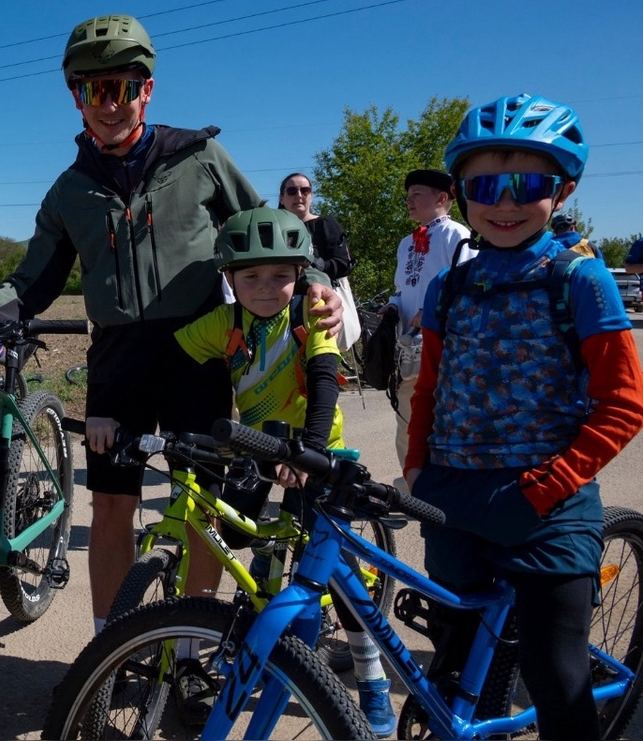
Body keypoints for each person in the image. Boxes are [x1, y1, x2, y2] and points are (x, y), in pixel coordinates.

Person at [0, 12, 340, 715]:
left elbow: (271, 231)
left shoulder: (199, 157)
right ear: (76, 98)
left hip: (196, 351)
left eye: (122, 88)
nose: (109, 104)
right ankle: (107, 653)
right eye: (93, 91)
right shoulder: (68, 191)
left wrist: (318, 286)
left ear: (147, 90)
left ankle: (189, 651)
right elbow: (30, 288)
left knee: (202, 508)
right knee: (112, 504)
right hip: (116, 359)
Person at [405, 94, 643, 740]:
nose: (505, 203)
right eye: (487, 185)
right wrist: (416, 469)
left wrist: (546, 487)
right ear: (462, 192)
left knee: (555, 673)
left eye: (527, 184)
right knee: (456, 671)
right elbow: (429, 389)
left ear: (562, 190)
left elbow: (623, 404)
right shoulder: (449, 288)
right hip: (453, 494)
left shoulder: (581, 280)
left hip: (549, 503)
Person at [174, 208, 396, 735]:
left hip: (317, 452)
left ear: (300, 275)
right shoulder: (224, 323)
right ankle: (255, 637)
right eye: (250, 276)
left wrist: (310, 453)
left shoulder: (310, 314)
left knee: (337, 581)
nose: (266, 287)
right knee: (231, 535)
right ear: (229, 279)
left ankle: (372, 680)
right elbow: (170, 362)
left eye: (280, 275)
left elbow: (323, 383)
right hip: (257, 448)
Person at [382, 169, 474, 469]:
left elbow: (465, 286)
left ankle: (438, 489)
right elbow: (402, 288)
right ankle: (411, 489)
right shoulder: (406, 243)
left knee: (436, 419)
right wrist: (392, 307)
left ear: (442, 198)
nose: (409, 201)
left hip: (440, 346)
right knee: (407, 419)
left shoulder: (455, 234)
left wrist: (432, 310)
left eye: (416, 195)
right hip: (408, 346)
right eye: (407, 197)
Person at [277, 172, 355, 284]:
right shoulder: (274, 229)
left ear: (311, 197)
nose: (299, 195)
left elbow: (343, 265)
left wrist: (310, 262)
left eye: (305, 191)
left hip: (324, 295)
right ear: (281, 198)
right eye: (292, 191)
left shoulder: (325, 224)